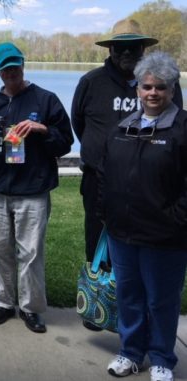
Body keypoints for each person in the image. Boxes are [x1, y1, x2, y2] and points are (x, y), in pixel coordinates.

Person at [71, 19, 183, 331]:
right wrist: (101, 154)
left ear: (144, 49)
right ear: (111, 49)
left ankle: (141, 313)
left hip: (153, 184)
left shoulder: (163, 84)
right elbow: (78, 123)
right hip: (99, 179)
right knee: (99, 241)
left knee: (147, 250)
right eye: (120, 47)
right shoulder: (91, 82)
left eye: (134, 47)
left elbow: (178, 129)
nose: (127, 52)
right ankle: (99, 306)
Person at [101, 52, 186, 381]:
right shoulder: (122, 127)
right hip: (123, 232)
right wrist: (105, 212)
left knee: (161, 301)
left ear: (171, 89)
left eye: (160, 87)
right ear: (137, 89)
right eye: (146, 86)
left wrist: (176, 218)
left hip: (165, 237)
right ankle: (130, 352)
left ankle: (163, 357)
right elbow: (105, 174)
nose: (152, 93)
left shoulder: (182, 128)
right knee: (129, 296)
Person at [0, 43, 73, 333]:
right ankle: (2, 302)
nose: (11, 71)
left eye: (15, 65)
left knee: (31, 252)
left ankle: (30, 308)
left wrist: (42, 129)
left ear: (23, 64)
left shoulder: (46, 100)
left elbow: (65, 141)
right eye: (5, 67)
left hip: (33, 188)